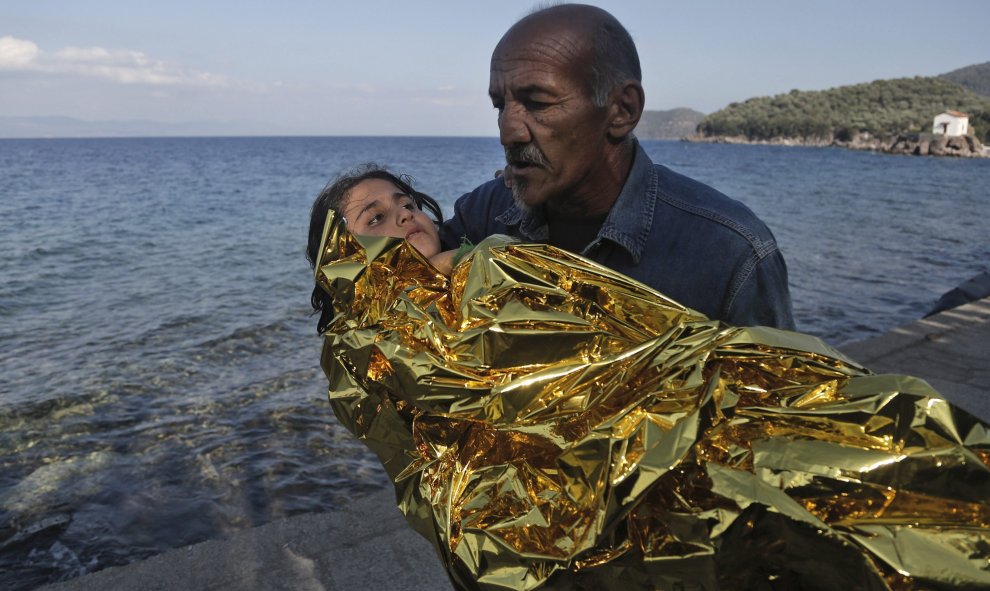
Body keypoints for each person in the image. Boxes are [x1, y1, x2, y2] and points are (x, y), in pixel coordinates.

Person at [309, 200, 990, 591]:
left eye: (409, 205)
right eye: (376, 215)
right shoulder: (361, 352)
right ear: (342, 252)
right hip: (589, 495)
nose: (404, 219)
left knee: (878, 446)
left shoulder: (499, 256)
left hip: (698, 397)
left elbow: (643, 338)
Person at [440, 3, 795, 329]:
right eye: (501, 105)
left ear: (622, 111)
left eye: (537, 103)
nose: (508, 132)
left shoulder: (730, 255)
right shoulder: (485, 214)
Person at [305, 164, 461, 333]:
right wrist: (429, 275)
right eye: (376, 218)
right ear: (345, 262)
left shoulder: (476, 269)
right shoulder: (360, 339)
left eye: (407, 205)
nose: (405, 214)